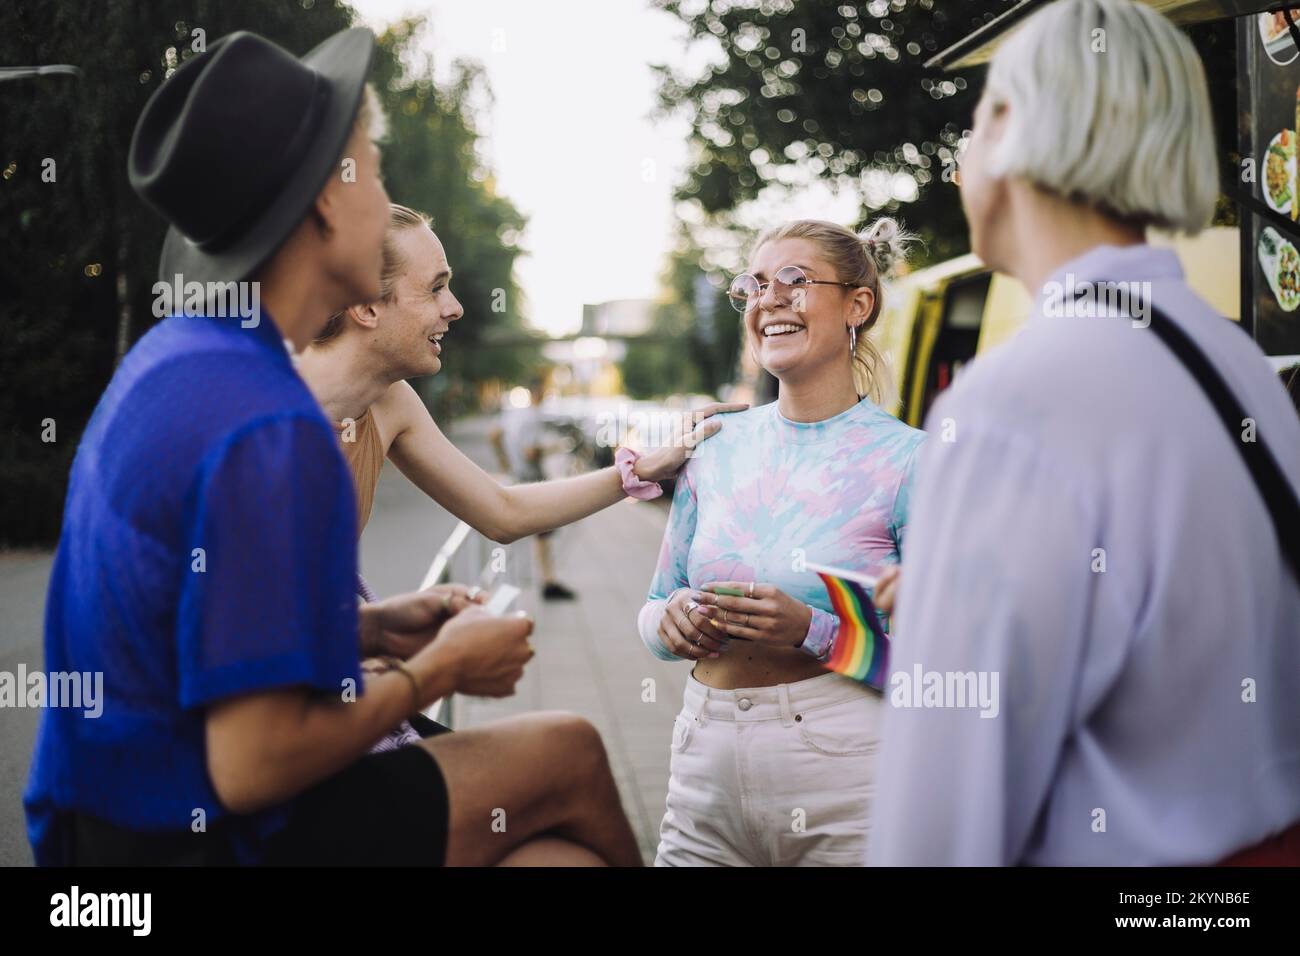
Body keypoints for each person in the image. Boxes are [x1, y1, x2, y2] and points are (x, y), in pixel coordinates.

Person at [24, 28, 641, 867]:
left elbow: (197, 629)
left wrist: (380, 624)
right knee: (565, 751)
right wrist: (440, 671)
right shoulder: (272, 425)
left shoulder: (182, 359)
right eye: (374, 170)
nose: (384, 191)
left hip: (97, 832)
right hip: (191, 833)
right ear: (325, 203)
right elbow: (251, 767)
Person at [867, 0, 1300, 866]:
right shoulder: (1239, 360)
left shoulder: (1012, 403)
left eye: (977, 115)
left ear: (1016, 128)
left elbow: (939, 825)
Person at [636, 217, 926, 866]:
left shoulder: (911, 461)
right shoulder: (715, 447)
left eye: (794, 280)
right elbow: (653, 607)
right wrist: (670, 621)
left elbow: (943, 670)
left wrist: (813, 630)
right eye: (756, 284)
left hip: (848, 773)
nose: (769, 299)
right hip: (703, 767)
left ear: (859, 305)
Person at [296, 204, 742, 574]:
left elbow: (503, 512)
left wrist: (644, 470)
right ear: (365, 306)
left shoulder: (389, 403)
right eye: (435, 289)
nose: (455, 308)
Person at [488, 379, 579, 600]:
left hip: (517, 475)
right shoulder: (532, 417)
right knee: (543, 532)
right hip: (532, 478)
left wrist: (505, 462)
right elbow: (530, 451)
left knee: (539, 534)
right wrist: (555, 447)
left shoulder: (512, 414)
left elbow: (493, 434)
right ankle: (548, 582)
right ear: (541, 393)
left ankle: (546, 580)